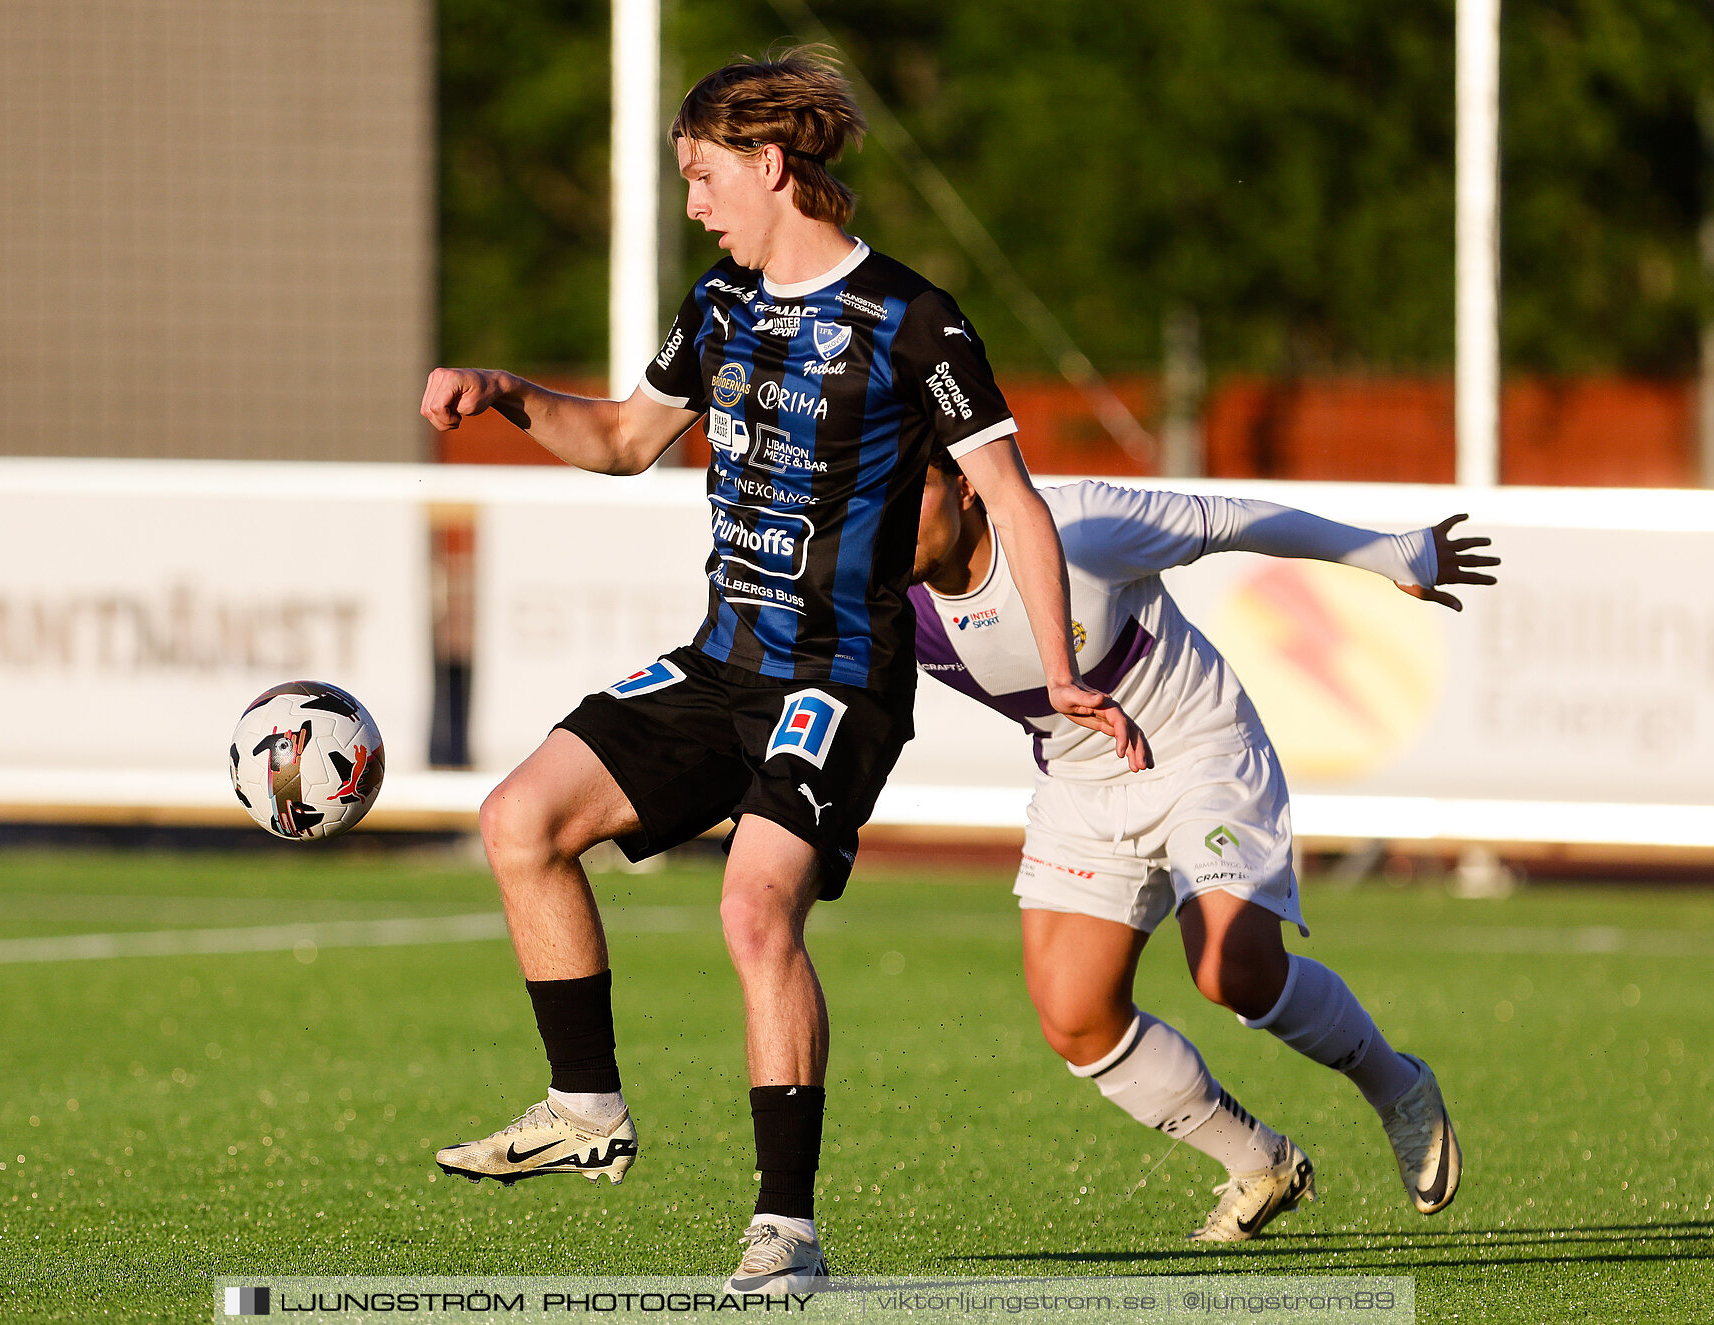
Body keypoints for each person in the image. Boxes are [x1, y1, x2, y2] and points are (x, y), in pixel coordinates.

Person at [418, 50, 1146, 1290]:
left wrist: (1065, 667)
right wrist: (506, 393)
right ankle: (585, 1102)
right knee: (518, 818)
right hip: (721, 663)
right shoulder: (717, 306)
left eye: (704, 178)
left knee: (754, 904)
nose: (696, 205)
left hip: (844, 677)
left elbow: (1012, 503)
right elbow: (621, 440)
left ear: (770, 166)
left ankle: (785, 1229)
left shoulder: (919, 320)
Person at [908, 455, 1498, 1240]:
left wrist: (1388, 551)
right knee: (1075, 1017)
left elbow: (1228, 519)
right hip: (1081, 789)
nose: (883, 512)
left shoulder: (1077, 524)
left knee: (1231, 969)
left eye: (905, 485)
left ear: (967, 483)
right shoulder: (875, 590)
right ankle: (1260, 1162)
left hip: (1198, 752)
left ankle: (1397, 1087)